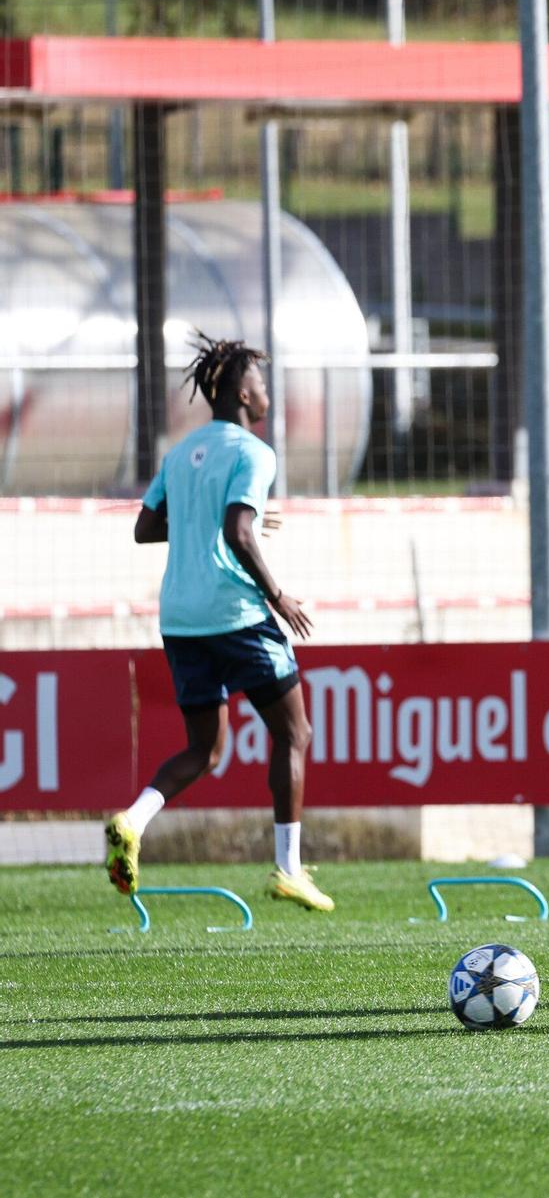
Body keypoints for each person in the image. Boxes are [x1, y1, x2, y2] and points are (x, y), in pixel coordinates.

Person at [105, 334, 330, 912]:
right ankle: (288, 869)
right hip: (235, 614)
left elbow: (146, 528)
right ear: (241, 391)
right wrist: (278, 596)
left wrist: (219, 521)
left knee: (204, 749)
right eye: (261, 382)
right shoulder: (254, 453)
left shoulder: (180, 453)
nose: (268, 393)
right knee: (294, 732)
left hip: (180, 618)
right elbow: (238, 531)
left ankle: (133, 821)